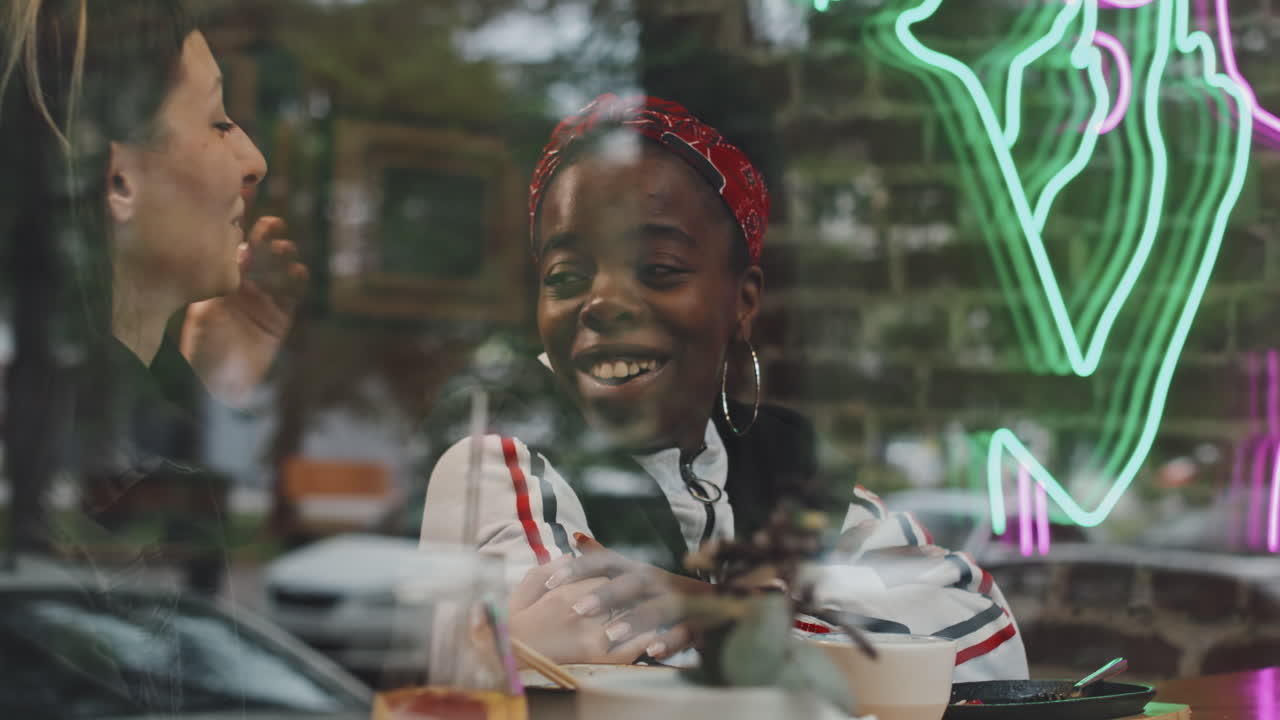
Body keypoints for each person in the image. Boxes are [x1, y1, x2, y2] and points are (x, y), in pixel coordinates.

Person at [419, 94, 1028, 682]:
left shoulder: (789, 463)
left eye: (659, 269)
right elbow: (592, 662)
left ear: (743, 301)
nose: (601, 301)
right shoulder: (499, 456)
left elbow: (982, 637)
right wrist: (816, 626)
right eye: (567, 275)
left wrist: (724, 615)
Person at [0, 1, 305, 711]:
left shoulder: (112, 414)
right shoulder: (59, 439)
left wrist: (207, 389)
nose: (252, 159)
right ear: (119, 181)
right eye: (220, 121)